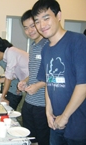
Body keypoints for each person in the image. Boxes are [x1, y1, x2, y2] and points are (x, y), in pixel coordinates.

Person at [32, 0, 86, 144]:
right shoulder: (46, 49)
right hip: (55, 123)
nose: (42, 25)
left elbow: (83, 84)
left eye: (46, 18)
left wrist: (65, 116)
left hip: (78, 124)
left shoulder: (78, 41)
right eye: (37, 21)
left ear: (59, 16)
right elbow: (49, 82)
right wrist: (48, 112)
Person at [17, 10, 49, 145]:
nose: (30, 30)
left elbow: (54, 75)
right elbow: (34, 73)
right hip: (29, 102)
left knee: (43, 140)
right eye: (26, 27)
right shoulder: (33, 46)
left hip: (43, 104)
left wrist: (38, 85)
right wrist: (24, 81)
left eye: (32, 25)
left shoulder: (48, 45)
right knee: (29, 138)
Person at [0, 36, 29, 107]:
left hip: (34, 82)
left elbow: (9, 77)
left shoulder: (11, 52)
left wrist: (3, 96)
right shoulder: (9, 54)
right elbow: (13, 75)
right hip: (28, 83)